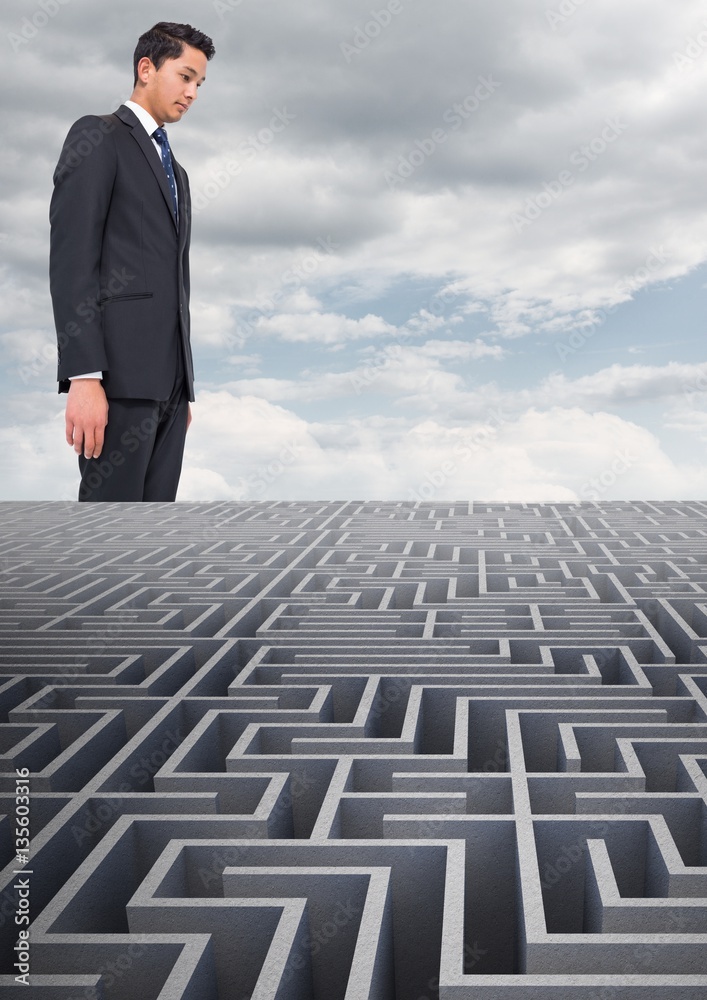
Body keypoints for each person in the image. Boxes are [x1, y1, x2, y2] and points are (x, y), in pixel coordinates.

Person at [49, 22, 215, 501]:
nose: (193, 93)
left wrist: (180, 385)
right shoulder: (98, 136)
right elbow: (72, 261)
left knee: (150, 547)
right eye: (185, 77)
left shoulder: (177, 172)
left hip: (169, 390)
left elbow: (173, 281)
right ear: (146, 68)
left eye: (199, 83)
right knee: (107, 541)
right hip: (116, 383)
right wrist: (84, 377)